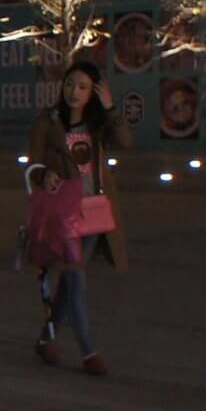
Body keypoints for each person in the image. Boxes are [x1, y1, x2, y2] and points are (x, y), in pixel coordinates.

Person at [24, 59, 131, 375]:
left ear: (93, 92)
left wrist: (110, 109)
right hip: (63, 212)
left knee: (72, 279)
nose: (74, 92)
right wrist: (44, 175)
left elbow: (125, 141)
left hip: (94, 210)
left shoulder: (98, 124)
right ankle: (89, 351)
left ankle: (46, 339)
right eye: (70, 84)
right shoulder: (47, 121)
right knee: (76, 278)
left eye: (83, 87)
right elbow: (33, 165)